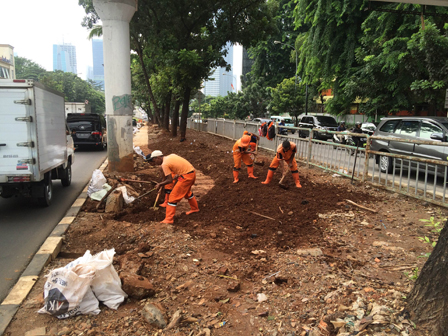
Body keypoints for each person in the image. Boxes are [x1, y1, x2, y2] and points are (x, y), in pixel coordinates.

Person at [147, 150, 199, 224]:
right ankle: (195, 208)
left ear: (158, 157)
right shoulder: (171, 155)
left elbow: (169, 180)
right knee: (187, 192)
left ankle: (169, 219)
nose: (155, 163)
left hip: (186, 176)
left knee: (172, 197)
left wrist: (160, 184)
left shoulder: (164, 164)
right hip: (192, 173)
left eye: (154, 161)